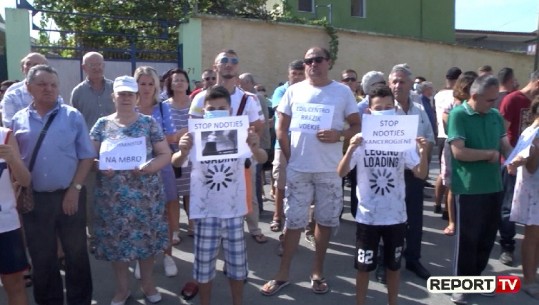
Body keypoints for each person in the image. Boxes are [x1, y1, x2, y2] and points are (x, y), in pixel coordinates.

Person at [261, 46, 360, 296]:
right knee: (292, 223)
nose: (312, 64)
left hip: (329, 170)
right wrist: (290, 156)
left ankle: (317, 271)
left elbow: (357, 125)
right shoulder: (294, 90)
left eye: (317, 60)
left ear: (329, 62)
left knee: (324, 222)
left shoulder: (342, 92)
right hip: (299, 169)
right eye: (307, 61)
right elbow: (281, 128)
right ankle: (283, 273)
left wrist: (340, 134)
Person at [172, 85, 268, 305]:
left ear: (229, 109)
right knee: (204, 268)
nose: (216, 110)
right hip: (205, 212)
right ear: (203, 110)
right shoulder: (194, 134)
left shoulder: (240, 132)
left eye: (221, 107)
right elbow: (176, 162)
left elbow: (262, 158)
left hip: (233, 211)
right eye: (211, 108)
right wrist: (182, 151)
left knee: (237, 267)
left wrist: (254, 147)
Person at [337, 85, 429, 305]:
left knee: (393, 266)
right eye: (379, 107)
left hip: (396, 216)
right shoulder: (361, 139)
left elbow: (421, 173)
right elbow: (341, 171)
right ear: (369, 111)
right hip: (367, 216)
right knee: (363, 267)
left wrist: (423, 153)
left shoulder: (402, 140)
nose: (385, 111)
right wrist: (350, 148)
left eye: (389, 107)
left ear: (395, 111)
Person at [11, 64, 95, 305]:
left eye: (53, 84)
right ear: (28, 87)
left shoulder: (72, 116)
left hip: (71, 195)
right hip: (35, 199)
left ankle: (80, 301)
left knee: (76, 256)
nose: (48, 89)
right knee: (42, 258)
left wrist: (74, 190)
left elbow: (87, 155)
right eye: (42, 84)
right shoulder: (18, 120)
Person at [90, 75, 171, 305]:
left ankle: (147, 284)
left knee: (146, 242)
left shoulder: (148, 123)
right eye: (121, 93)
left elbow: (165, 154)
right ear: (113, 96)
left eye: (130, 94)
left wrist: (149, 167)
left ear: (136, 97)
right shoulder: (102, 124)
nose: (125, 98)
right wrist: (99, 166)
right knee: (117, 244)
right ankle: (123, 289)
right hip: (112, 198)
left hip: (145, 196)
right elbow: (89, 157)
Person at [446, 75, 513, 304]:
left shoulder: (494, 115)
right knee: (467, 239)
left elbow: (505, 144)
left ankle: (477, 278)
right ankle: (461, 285)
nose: (493, 104)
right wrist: (490, 155)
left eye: (495, 100)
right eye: (489, 100)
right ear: (474, 96)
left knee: (486, 237)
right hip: (468, 188)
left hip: (493, 186)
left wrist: (516, 157)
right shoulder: (458, 115)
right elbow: (459, 152)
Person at [190, 49, 267, 243]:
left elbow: (258, 126)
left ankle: (252, 229)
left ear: (238, 67)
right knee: (212, 199)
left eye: (234, 60)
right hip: (210, 161)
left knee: (248, 198)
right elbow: (193, 128)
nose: (229, 63)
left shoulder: (250, 98)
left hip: (242, 160)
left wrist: (249, 138)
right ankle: (216, 237)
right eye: (224, 60)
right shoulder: (200, 98)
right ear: (215, 66)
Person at [387, 63, 435, 281]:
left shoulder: (420, 112)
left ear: (410, 85)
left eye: (401, 81)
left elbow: (431, 140)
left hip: (414, 174)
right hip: (389, 175)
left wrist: (423, 153)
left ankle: (413, 259)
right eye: (394, 81)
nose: (397, 85)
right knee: (387, 220)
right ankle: (385, 261)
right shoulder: (384, 110)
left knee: (414, 220)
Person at [133, 66, 179, 277]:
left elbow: (170, 136)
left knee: (167, 212)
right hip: (136, 169)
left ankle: (168, 254)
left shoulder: (162, 108)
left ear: (156, 86)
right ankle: (141, 257)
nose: (147, 88)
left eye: (151, 84)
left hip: (162, 165)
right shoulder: (129, 107)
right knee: (139, 214)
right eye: (142, 83)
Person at [69, 51, 115, 253]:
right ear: (84, 68)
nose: (97, 68)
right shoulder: (78, 93)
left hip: (116, 152)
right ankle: (95, 235)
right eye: (92, 65)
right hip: (89, 155)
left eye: (100, 64)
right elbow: (75, 125)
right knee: (91, 197)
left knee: (114, 193)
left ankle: (114, 232)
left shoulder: (115, 89)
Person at [497, 70, 539, 266]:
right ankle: (507, 246)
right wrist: (511, 159)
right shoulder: (513, 99)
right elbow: (501, 132)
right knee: (508, 208)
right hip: (513, 162)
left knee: (527, 213)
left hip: (529, 162)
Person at [507, 95, 539, 300]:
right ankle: (528, 279)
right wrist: (534, 152)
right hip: (534, 189)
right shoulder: (533, 133)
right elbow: (529, 165)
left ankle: (532, 276)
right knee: (532, 235)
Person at [440, 72, 479, 236]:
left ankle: (465, 221)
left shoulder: (479, 107)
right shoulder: (453, 106)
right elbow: (447, 127)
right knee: (453, 186)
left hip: (471, 147)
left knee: (470, 185)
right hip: (454, 147)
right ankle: (452, 221)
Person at [269, 59, 305, 234]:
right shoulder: (281, 90)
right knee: (280, 180)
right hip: (282, 143)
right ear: (288, 74)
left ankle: (301, 222)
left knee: (302, 183)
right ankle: (277, 215)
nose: (297, 77)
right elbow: (280, 110)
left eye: (300, 74)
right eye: (294, 74)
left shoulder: (308, 91)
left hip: (303, 144)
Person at [0, 126, 31, 305]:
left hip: (6, 225)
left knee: (15, 285)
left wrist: (12, 159)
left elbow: (25, 180)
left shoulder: (5, 135)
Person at [163, 68, 193, 237]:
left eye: (183, 79)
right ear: (171, 84)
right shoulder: (164, 106)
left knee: (191, 192)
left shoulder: (196, 104)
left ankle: (192, 225)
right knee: (173, 195)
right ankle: (174, 230)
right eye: (176, 80)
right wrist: (178, 136)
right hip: (172, 155)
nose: (180, 82)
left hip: (192, 155)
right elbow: (161, 134)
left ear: (188, 83)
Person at [239, 72, 272, 213]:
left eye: (242, 82)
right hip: (253, 142)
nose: (239, 85)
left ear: (249, 83)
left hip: (258, 142)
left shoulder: (256, 97)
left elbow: (261, 123)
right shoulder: (245, 97)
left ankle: (257, 207)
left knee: (256, 178)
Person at [433, 67, 462, 216]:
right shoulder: (456, 96)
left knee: (442, 173)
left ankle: (437, 204)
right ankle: (447, 209)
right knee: (452, 174)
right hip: (451, 136)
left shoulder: (438, 94)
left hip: (440, 134)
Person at [1, 53, 49, 127]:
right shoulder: (12, 92)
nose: (31, 67)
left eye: (35, 64)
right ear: (23, 68)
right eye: (28, 64)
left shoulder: (51, 91)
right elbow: (9, 124)